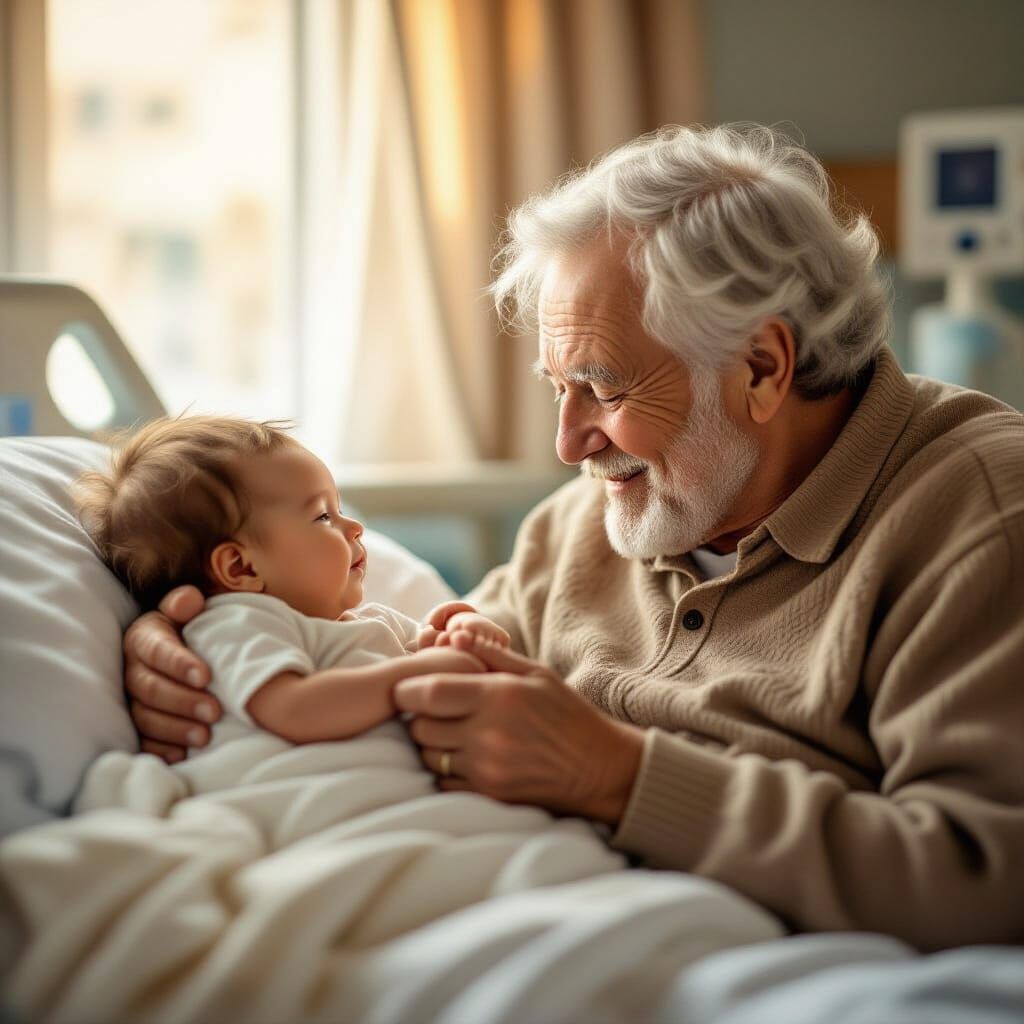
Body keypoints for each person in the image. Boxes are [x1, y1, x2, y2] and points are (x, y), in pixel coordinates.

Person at [120, 125, 1024, 951]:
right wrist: (205, 635)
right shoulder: (584, 521)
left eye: (605, 386)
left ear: (761, 366)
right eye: (559, 385)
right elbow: (428, 657)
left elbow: (986, 876)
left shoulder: (980, 519)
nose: (568, 442)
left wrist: (621, 778)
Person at [75, 416, 507, 755]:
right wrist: (420, 670)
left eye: (338, 509)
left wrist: (458, 636)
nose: (354, 527)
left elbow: (458, 673)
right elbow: (294, 709)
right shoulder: (235, 623)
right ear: (241, 568)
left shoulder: (370, 622)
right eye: (323, 516)